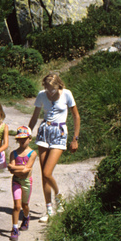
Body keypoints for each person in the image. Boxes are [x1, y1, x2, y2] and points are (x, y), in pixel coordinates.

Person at [28, 72, 80, 219]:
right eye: (47, 88)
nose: (50, 92)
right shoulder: (41, 95)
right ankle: (49, 209)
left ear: (59, 85)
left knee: (47, 172)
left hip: (60, 132)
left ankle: (59, 196)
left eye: (53, 89)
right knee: (43, 174)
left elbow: (76, 116)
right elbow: (35, 116)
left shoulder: (67, 94)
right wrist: (27, 132)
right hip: (44, 131)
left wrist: (75, 138)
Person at [7, 126, 37, 241]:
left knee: (25, 205)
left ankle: (26, 217)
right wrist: (21, 168)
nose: (22, 141)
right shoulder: (13, 153)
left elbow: (27, 170)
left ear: (29, 138)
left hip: (26, 182)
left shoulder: (33, 153)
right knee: (16, 206)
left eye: (24, 139)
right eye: (20, 139)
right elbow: (11, 169)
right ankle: (14, 228)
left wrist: (16, 168)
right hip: (16, 181)